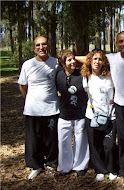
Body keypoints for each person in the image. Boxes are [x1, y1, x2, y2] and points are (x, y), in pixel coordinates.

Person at [76, 31, 124, 189]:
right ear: (117, 43)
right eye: (120, 41)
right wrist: (68, 57)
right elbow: (89, 59)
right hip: (119, 107)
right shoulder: (112, 58)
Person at [18, 36, 59, 179]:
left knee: (51, 139)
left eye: (44, 44)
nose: (41, 47)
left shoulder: (56, 62)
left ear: (49, 46)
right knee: (33, 139)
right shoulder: (28, 65)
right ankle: (36, 166)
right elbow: (22, 85)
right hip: (32, 109)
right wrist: (29, 99)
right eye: (38, 45)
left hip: (52, 108)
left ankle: (51, 163)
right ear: (34, 48)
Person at [80, 49, 118, 181]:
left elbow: (117, 91)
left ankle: (112, 169)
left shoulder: (110, 76)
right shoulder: (86, 77)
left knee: (110, 145)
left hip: (110, 117)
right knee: (95, 144)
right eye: (94, 59)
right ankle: (100, 170)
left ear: (104, 62)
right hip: (92, 117)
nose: (97, 62)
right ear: (89, 61)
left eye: (100, 59)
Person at [56, 49, 90, 176]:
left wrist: (74, 57)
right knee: (63, 141)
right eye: (69, 60)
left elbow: (89, 59)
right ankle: (65, 166)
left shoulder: (81, 74)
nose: (72, 62)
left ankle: (80, 166)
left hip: (80, 113)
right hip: (64, 114)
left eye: (73, 59)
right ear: (63, 63)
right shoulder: (58, 74)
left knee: (80, 140)